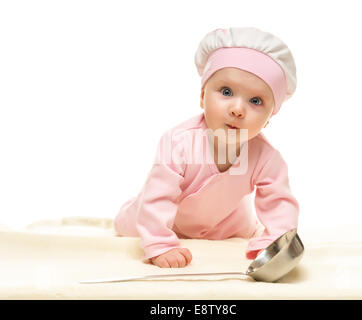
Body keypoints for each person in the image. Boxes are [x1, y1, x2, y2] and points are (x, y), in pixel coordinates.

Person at [114, 27, 300, 268]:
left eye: (256, 101)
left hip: (227, 222)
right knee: (130, 223)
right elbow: (158, 198)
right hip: (170, 219)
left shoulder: (267, 158)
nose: (237, 109)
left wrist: (277, 243)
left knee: (246, 227)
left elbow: (279, 203)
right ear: (202, 96)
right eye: (226, 92)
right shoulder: (178, 143)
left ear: (268, 118)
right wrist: (159, 245)